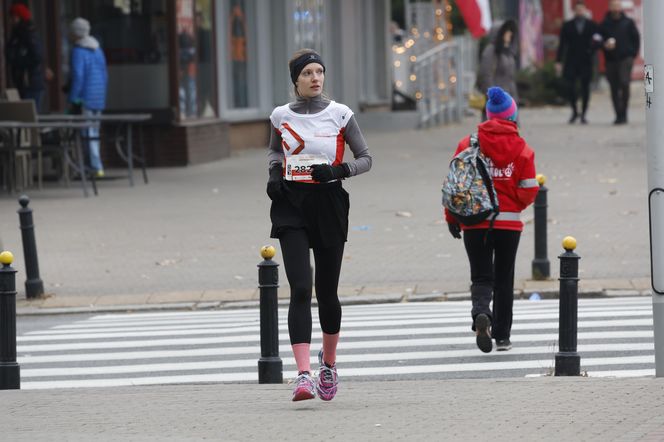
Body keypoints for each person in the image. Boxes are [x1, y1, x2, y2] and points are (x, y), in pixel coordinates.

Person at [266, 49, 372, 401]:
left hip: (328, 202)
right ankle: (302, 375)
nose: (315, 78)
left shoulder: (340, 114)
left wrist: (339, 171)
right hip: (291, 205)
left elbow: (366, 158)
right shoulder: (280, 116)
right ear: (295, 79)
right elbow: (275, 152)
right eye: (308, 73)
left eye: (320, 72)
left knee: (326, 293)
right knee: (300, 287)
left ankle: (328, 363)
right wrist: (273, 175)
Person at [445, 87, 538, 353]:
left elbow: (454, 184)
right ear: (512, 116)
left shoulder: (467, 144)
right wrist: (514, 204)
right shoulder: (522, 148)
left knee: (481, 275)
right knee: (504, 278)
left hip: (474, 222)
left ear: (488, 115)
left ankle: (480, 314)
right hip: (509, 224)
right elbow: (529, 188)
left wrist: (452, 217)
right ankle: (502, 336)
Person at [68, 17, 108, 178]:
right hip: (99, 97)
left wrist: (73, 97)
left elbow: (78, 76)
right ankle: (95, 165)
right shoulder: (98, 49)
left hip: (85, 97)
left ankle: (95, 166)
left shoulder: (78, 51)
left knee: (88, 133)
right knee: (95, 131)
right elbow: (105, 74)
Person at [555, 1, 601, 124]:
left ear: (585, 10)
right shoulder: (567, 25)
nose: (579, 12)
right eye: (577, 9)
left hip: (586, 60)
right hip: (571, 60)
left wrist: (592, 50)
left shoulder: (592, 25)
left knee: (585, 88)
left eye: (581, 9)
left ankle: (584, 114)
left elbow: (598, 41)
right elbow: (562, 44)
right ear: (574, 11)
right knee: (570, 86)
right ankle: (574, 111)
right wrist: (558, 60)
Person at [599, 0, 640, 125]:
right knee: (614, 87)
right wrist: (604, 45)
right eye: (613, 6)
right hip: (611, 59)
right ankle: (618, 114)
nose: (615, 8)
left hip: (625, 58)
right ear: (610, 7)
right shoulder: (604, 24)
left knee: (624, 83)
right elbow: (598, 39)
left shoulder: (628, 22)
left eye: (617, 6)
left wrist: (632, 54)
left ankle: (624, 112)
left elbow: (636, 38)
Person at [6, 3, 45, 111]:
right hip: (23, 82)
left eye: (14, 17)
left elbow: (37, 56)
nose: (11, 21)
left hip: (30, 82)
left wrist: (18, 61)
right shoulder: (17, 35)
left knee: (30, 115)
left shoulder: (29, 34)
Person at [477, 20, 519, 122]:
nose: (510, 34)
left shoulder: (507, 51)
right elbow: (486, 75)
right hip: (497, 103)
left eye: (510, 31)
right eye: (507, 31)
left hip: (509, 100)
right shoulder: (491, 51)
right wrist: (492, 98)